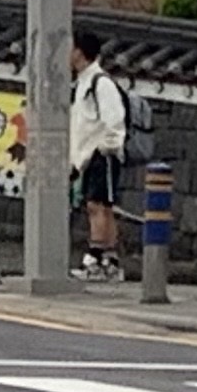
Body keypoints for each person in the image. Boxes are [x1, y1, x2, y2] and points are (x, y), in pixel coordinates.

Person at [68, 31, 134, 281]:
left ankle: (98, 259)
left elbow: (113, 120)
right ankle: (108, 260)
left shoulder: (100, 83)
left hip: (102, 154)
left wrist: (105, 148)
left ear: (79, 51)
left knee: (99, 206)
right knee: (98, 205)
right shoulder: (83, 82)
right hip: (88, 156)